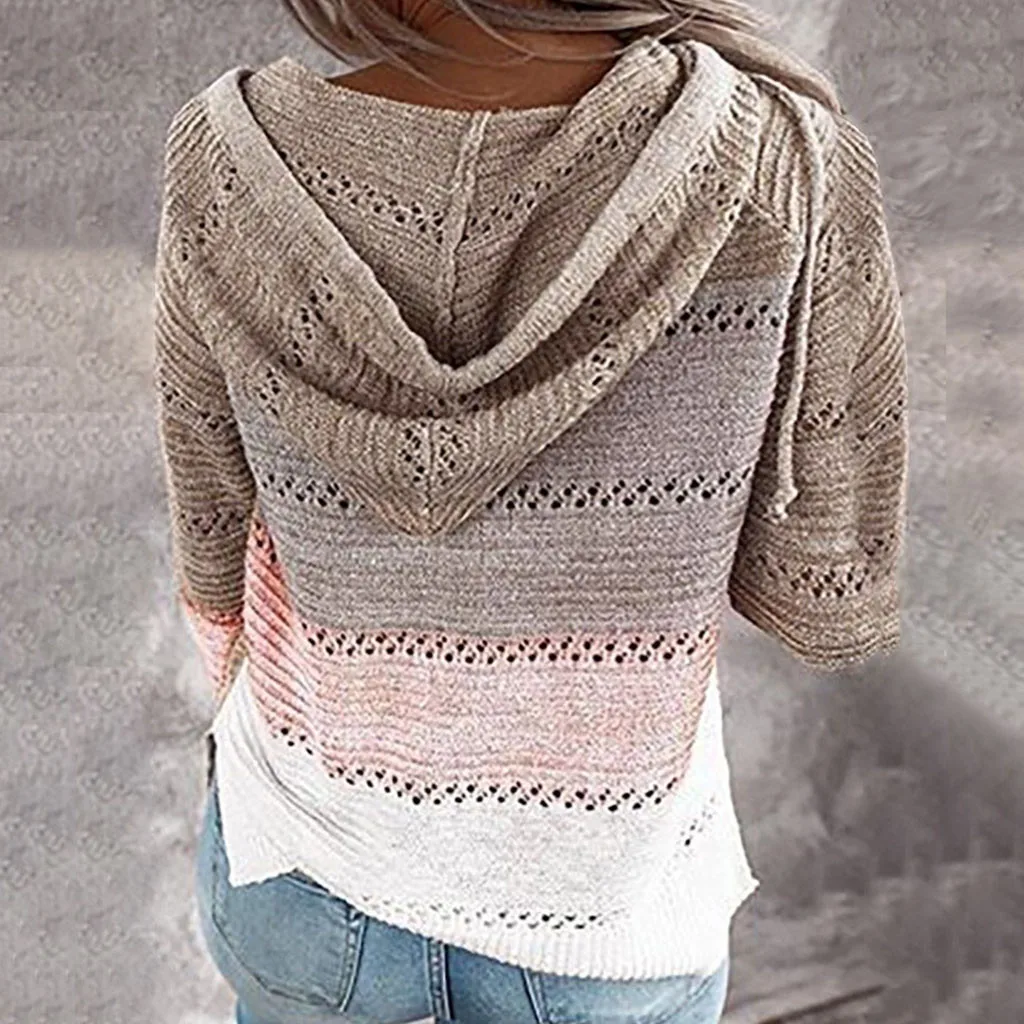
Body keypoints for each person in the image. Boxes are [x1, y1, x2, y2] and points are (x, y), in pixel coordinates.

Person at [151, 0, 909, 1020]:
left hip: (307, 868)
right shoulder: (777, 162)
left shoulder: (225, 168)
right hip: (603, 912)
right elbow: (824, 582)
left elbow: (212, 558)